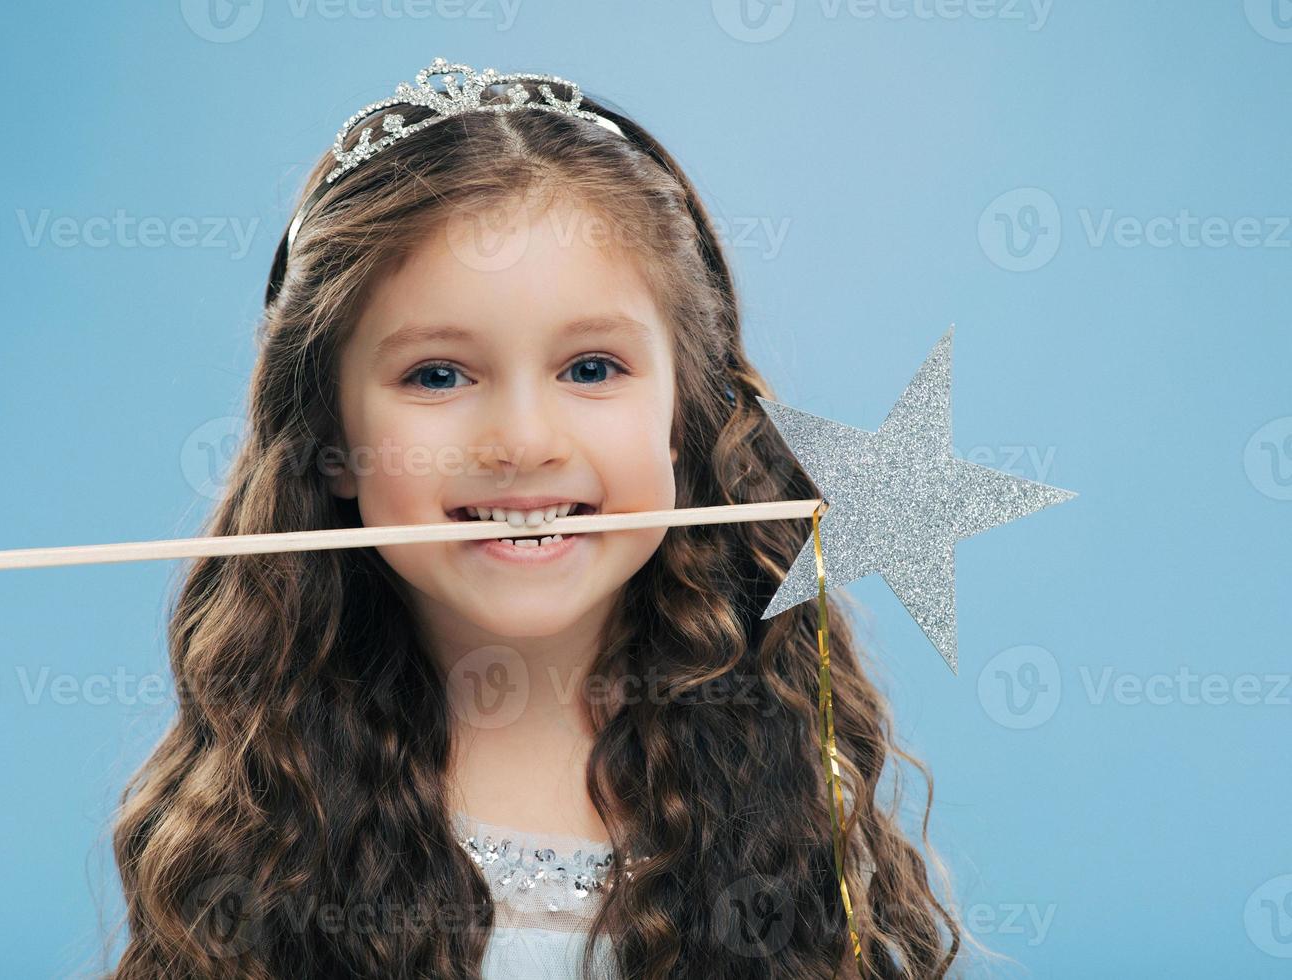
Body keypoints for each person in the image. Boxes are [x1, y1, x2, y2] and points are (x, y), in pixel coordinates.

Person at [103, 56, 1000, 979]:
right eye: (437, 376)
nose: (524, 442)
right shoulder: (267, 816)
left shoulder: (787, 785)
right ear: (331, 441)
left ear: (684, 421)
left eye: (591, 369)